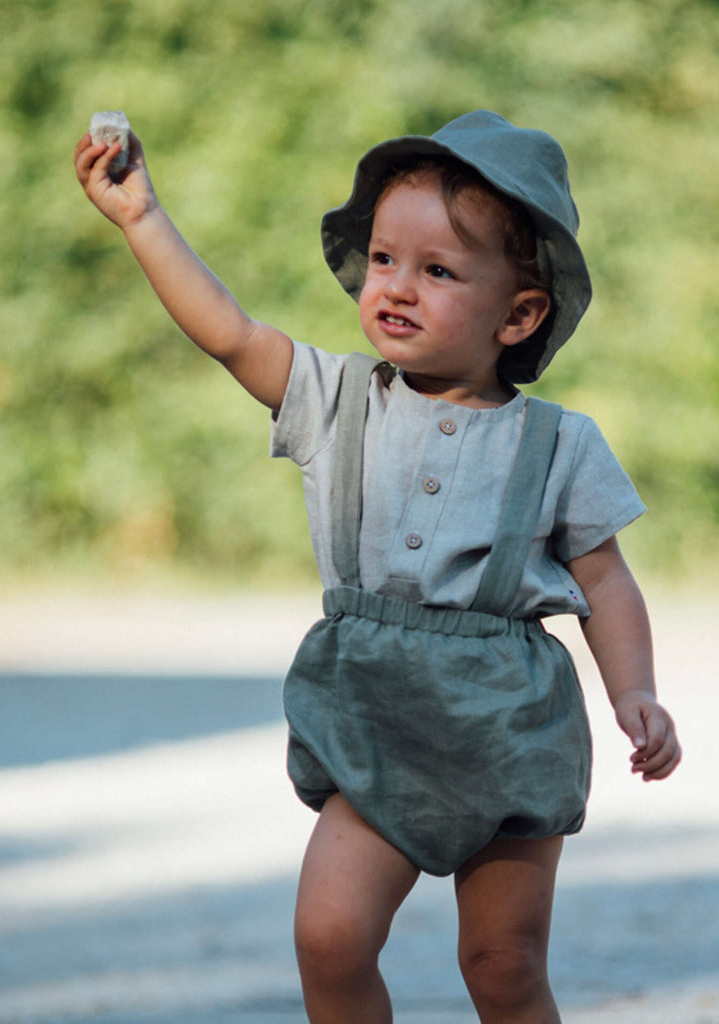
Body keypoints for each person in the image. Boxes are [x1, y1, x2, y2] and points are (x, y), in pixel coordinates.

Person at [75, 109, 681, 1024]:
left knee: (503, 965)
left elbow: (605, 581)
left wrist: (636, 692)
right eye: (386, 258)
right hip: (374, 719)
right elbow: (231, 334)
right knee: (329, 937)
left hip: (508, 732)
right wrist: (142, 218)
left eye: (438, 271)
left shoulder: (560, 443)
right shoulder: (335, 400)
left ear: (519, 314)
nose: (395, 285)